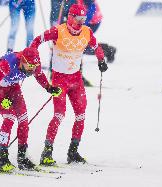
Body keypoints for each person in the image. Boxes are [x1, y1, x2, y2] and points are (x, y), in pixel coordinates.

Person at [30, 4, 108, 166]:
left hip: (76, 80)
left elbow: (96, 46)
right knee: (59, 115)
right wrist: (32, 56)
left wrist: (101, 60)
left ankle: (73, 152)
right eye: (78, 19)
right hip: (59, 80)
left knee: (81, 115)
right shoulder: (58, 31)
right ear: (70, 18)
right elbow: (36, 41)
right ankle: (47, 152)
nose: (81, 22)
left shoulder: (86, 32)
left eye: (83, 19)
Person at [0, 47, 61, 172]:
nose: (32, 69)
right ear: (22, 61)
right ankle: (3, 158)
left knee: (24, 119)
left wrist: (48, 87)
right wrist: (0, 100)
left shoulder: (34, 63)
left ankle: (22, 156)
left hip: (13, 87)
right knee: (9, 118)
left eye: (34, 66)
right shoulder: (7, 63)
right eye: (29, 66)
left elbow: (39, 75)